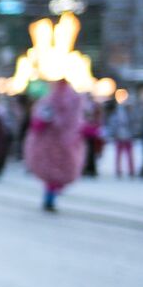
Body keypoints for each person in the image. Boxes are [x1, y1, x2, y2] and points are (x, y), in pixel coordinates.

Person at [23, 79, 87, 212]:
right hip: (54, 145)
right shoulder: (51, 103)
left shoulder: (66, 103)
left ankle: (51, 197)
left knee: (58, 175)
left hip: (62, 145)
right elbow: (39, 123)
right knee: (54, 175)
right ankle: (50, 198)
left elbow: (76, 124)